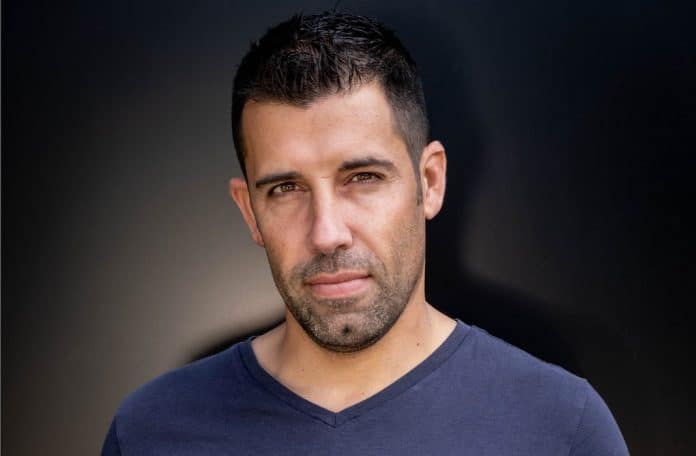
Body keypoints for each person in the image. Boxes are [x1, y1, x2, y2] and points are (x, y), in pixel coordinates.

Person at [102, 11, 628, 455]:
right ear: (249, 211)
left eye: (362, 178)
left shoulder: (560, 427)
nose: (326, 233)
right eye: (286, 188)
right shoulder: (153, 431)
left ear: (430, 182)